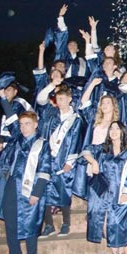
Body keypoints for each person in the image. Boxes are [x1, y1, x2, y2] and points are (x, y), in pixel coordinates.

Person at [0, 110, 51, 254]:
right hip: (10, 187)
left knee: (30, 226)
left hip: (30, 189)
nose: (24, 127)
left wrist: (37, 193)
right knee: (10, 226)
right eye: (22, 124)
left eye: (27, 124)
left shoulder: (42, 144)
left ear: (36, 125)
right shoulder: (15, 141)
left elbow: (45, 171)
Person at [83, 121, 127, 254]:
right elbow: (86, 150)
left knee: (118, 224)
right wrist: (93, 161)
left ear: (123, 131)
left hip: (120, 192)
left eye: (117, 128)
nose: (114, 131)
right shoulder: (103, 150)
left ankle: (121, 253)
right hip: (102, 193)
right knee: (103, 223)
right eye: (111, 128)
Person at [40, 84, 84, 237]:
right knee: (45, 191)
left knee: (64, 190)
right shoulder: (52, 117)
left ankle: (66, 223)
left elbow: (76, 140)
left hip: (64, 159)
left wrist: (70, 162)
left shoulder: (75, 119)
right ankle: (49, 225)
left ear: (70, 99)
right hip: (49, 159)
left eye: (63, 99)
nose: (60, 101)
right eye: (58, 99)